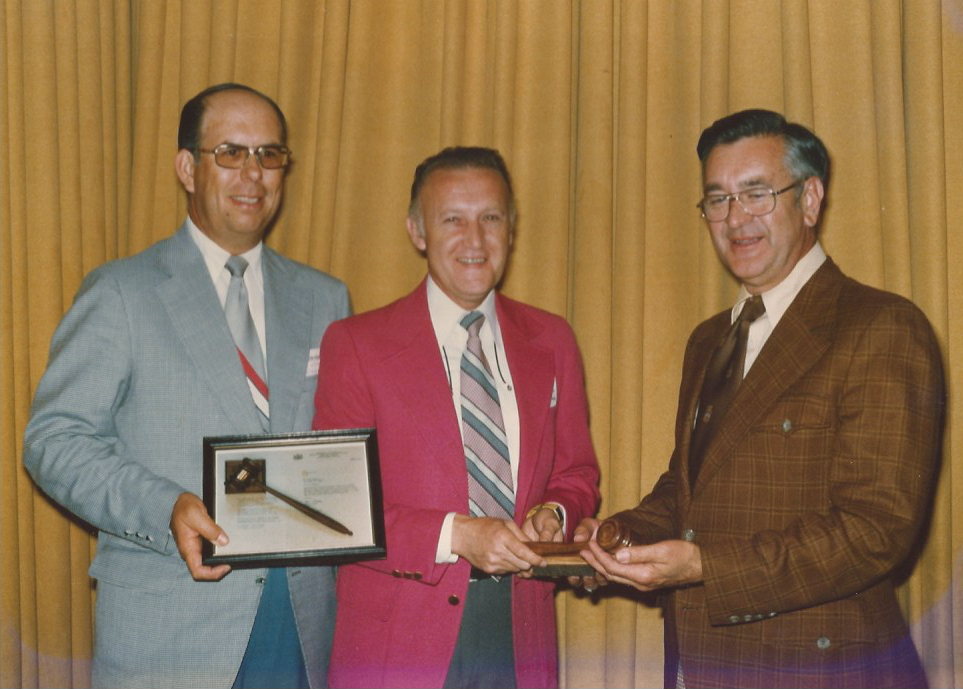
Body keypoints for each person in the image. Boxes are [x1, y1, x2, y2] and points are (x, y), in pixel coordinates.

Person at [573, 109, 944, 688]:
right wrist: (613, 539)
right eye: (716, 199)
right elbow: (688, 490)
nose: (734, 218)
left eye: (756, 194)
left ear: (811, 198)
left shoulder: (882, 326)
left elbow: (877, 531)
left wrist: (703, 567)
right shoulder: (709, 340)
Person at [23, 83, 349, 689]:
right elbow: (54, 440)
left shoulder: (326, 299)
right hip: (169, 628)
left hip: (300, 628)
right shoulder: (121, 291)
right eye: (230, 152)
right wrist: (164, 506)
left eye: (269, 155)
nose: (253, 174)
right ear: (186, 168)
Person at [313, 146, 600, 688]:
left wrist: (556, 515)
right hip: (396, 643)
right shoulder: (355, 344)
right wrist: (457, 535)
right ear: (417, 231)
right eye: (453, 220)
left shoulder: (553, 339)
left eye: (490, 218)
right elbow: (337, 508)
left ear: (511, 229)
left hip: (519, 637)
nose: (475, 240)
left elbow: (577, 472)